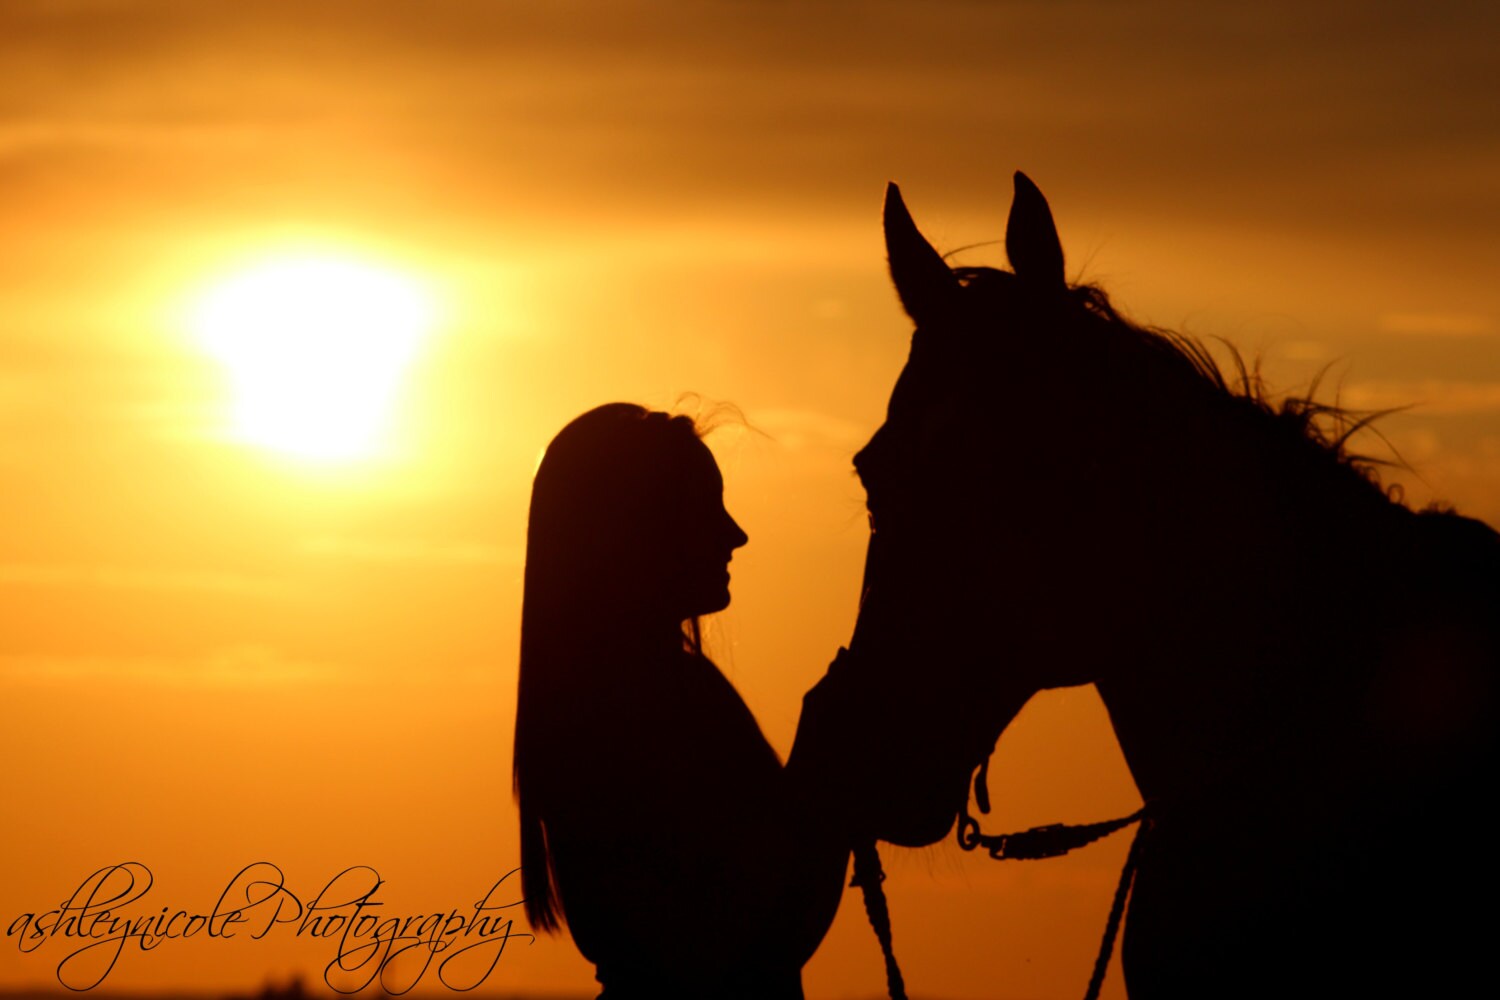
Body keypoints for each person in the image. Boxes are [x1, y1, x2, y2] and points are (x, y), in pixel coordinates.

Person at [512, 403, 849, 999]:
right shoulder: (648, 707)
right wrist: (828, 766)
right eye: (704, 508)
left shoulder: (600, 699)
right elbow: (759, 940)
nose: (734, 533)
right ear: (639, 527)